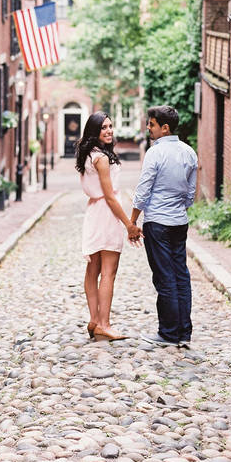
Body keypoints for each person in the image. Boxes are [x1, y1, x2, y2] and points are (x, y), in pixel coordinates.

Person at [129, 105, 198, 348]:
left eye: (151, 124)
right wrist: (177, 207)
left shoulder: (155, 153)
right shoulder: (189, 152)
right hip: (179, 222)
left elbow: (143, 190)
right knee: (181, 275)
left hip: (157, 222)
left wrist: (133, 220)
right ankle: (183, 333)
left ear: (164, 127)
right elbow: (190, 194)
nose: (148, 128)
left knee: (164, 277)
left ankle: (168, 333)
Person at [76, 111, 142, 341]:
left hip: (94, 213)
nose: (109, 131)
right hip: (106, 213)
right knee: (108, 272)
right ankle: (104, 323)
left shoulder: (90, 155)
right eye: (103, 127)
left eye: (110, 126)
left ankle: (94, 320)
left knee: (92, 270)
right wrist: (129, 225)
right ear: (94, 131)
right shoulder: (102, 158)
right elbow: (111, 196)